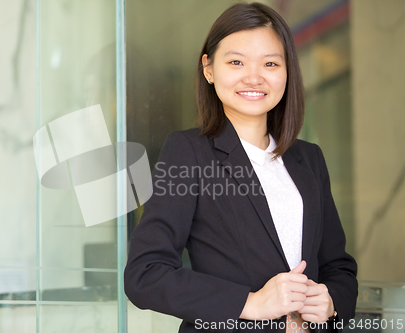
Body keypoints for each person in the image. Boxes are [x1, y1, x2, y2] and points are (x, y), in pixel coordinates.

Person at [124, 2, 358, 333]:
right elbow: (145, 274)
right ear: (208, 68)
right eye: (236, 62)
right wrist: (250, 303)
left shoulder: (309, 159)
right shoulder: (189, 153)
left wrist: (332, 301)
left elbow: (338, 266)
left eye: (271, 63)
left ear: (287, 70)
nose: (254, 77)